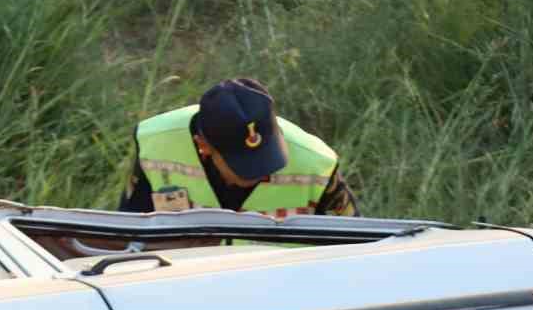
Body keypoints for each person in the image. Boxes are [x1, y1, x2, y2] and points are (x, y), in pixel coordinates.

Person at [117, 77, 360, 218]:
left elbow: (359, 248)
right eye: (245, 165)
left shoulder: (317, 164)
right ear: (204, 146)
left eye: (269, 156)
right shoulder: (157, 145)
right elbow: (130, 231)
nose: (262, 172)